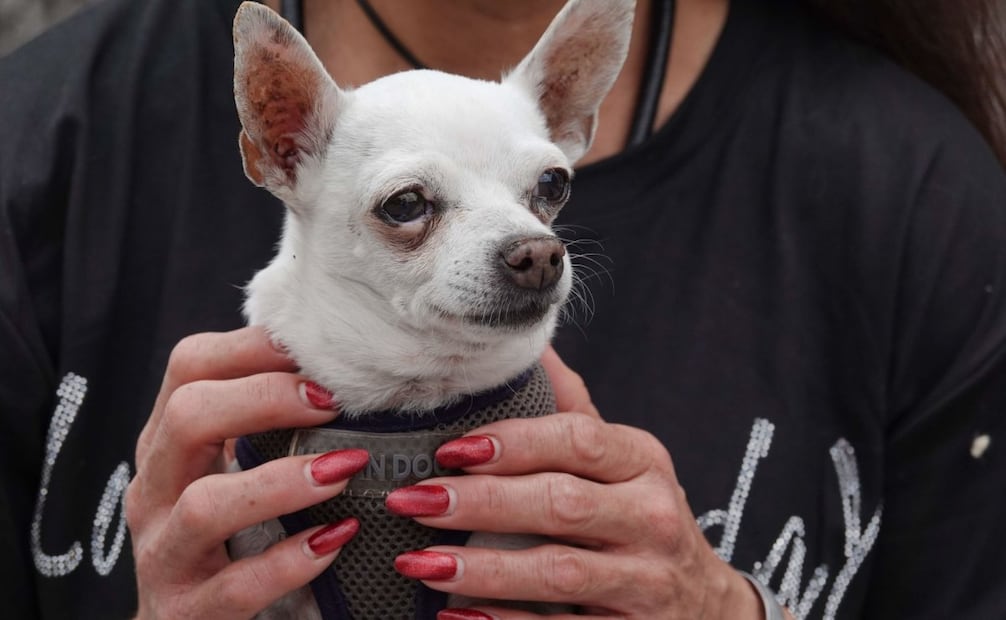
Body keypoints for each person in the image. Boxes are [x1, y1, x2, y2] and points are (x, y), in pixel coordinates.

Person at [1, 0, 1004, 618]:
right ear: (279, 142)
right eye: (408, 207)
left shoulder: (918, 195)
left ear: (571, 114)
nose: (532, 247)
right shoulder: (42, 145)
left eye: (545, 194)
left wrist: (729, 609)